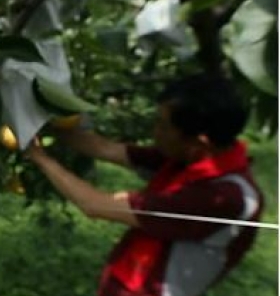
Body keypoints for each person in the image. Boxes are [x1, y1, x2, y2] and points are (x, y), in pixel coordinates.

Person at [23, 72, 264, 296]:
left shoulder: (221, 198)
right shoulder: (190, 158)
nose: (155, 131)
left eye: (163, 125)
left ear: (199, 142)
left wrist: (39, 157)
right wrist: (43, 120)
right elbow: (103, 148)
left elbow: (94, 205)